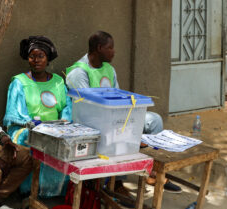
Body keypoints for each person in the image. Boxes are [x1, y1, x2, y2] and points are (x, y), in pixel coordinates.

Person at [65, 31, 181, 194]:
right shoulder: (78, 73)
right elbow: (85, 108)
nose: (114, 52)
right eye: (110, 48)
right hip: (90, 122)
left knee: (153, 120)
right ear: (99, 48)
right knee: (121, 133)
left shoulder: (109, 69)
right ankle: (117, 182)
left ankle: (152, 172)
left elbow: (118, 97)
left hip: (112, 117)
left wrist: (130, 119)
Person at [3, 35, 72, 197]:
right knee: (34, 140)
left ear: (48, 59)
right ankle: (30, 193)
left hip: (56, 128)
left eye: (40, 56)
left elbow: (67, 108)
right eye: (32, 56)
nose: (36, 60)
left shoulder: (58, 82)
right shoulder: (19, 82)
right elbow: (13, 113)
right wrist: (31, 123)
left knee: (66, 140)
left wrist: (62, 123)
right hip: (26, 128)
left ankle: (56, 190)